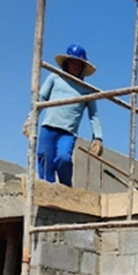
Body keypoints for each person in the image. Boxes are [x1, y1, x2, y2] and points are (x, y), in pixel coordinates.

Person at [26, 43, 104, 187]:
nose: (75, 66)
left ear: (82, 68)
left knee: (64, 158)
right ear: (67, 64)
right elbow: (41, 99)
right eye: (72, 63)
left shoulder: (87, 89)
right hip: (48, 127)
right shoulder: (55, 77)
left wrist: (97, 138)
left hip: (68, 132)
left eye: (78, 64)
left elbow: (93, 115)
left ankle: (65, 186)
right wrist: (31, 119)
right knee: (45, 156)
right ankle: (47, 186)